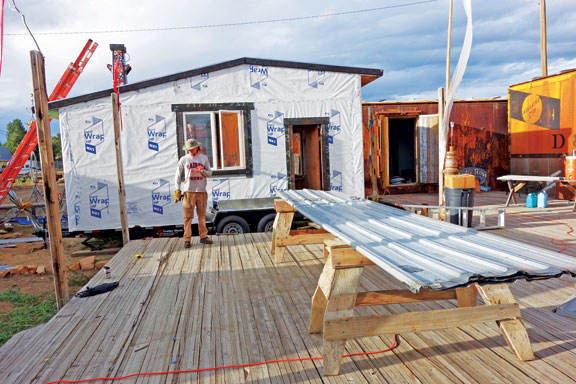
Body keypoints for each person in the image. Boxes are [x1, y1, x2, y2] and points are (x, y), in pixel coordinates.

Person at [174, 138, 213, 248]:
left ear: (197, 147)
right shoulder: (184, 159)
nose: (190, 150)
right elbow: (177, 175)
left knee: (202, 216)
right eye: (188, 149)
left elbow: (210, 173)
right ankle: (187, 239)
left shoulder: (203, 158)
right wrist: (177, 189)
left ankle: (203, 237)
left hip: (201, 191)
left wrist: (203, 171)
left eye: (192, 148)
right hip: (188, 191)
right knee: (188, 217)